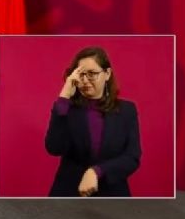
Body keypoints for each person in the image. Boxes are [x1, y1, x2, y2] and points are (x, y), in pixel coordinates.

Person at [45, 46, 141, 197]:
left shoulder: (126, 110)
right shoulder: (66, 108)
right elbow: (54, 148)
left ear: (107, 74)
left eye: (92, 74)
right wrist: (64, 97)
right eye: (81, 74)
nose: (85, 80)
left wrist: (96, 172)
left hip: (112, 194)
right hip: (69, 193)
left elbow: (132, 157)